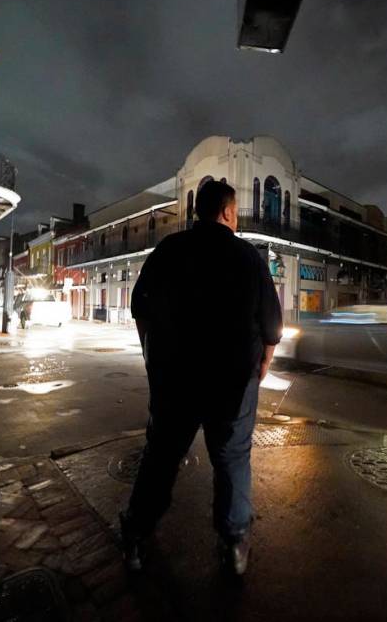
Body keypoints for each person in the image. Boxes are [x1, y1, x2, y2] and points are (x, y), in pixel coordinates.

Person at [120, 179, 283, 576]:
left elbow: (139, 306)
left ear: (198, 211)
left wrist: (150, 354)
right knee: (231, 458)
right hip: (231, 382)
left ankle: (137, 535)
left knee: (162, 455)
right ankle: (234, 543)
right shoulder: (248, 257)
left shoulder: (168, 250)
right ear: (228, 212)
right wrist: (262, 363)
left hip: (174, 378)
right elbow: (272, 325)